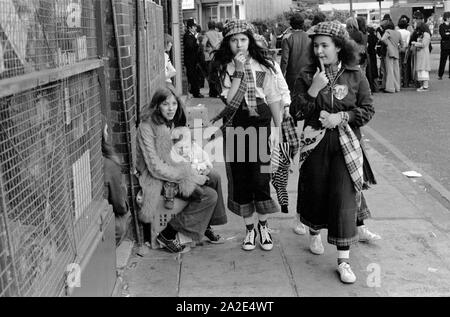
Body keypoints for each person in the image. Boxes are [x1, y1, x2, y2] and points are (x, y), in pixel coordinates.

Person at [290, 21, 376, 284]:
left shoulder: (355, 74)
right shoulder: (306, 75)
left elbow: (367, 109)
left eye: (324, 45)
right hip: (315, 144)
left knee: (343, 197)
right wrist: (314, 88)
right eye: (315, 46)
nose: (319, 51)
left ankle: (344, 261)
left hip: (346, 145)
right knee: (315, 193)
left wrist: (343, 116)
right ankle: (314, 231)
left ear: (339, 47)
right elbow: (297, 112)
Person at [211, 20, 283, 252]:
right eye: (234, 40)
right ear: (227, 43)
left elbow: (272, 97)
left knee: (260, 178)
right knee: (241, 179)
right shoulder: (224, 68)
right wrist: (239, 71)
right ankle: (249, 229)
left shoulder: (264, 65)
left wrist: (277, 128)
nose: (239, 44)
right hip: (236, 125)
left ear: (250, 41)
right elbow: (230, 101)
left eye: (243, 39)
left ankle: (264, 225)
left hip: (261, 124)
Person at [136, 88, 227, 253]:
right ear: (157, 106)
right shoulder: (147, 127)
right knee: (208, 196)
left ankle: (205, 224)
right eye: (165, 104)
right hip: (158, 178)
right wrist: (190, 176)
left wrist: (196, 166)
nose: (171, 108)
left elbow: (180, 152)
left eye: (174, 104)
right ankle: (167, 235)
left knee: (213, 176)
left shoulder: (171, 122)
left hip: (176, 169)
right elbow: (155, 167)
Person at [254, 33, 305, 234]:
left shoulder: (271, 66)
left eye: (261, 49)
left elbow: (283, 89)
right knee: (261, 163)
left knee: (285, 151)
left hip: (277, 118)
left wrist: (285, 107)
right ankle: (265, 191)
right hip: (258, 121)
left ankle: (277, 175)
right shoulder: (246, 68)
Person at [102, 124, 131, 246]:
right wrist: (125, 210)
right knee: (121, 225)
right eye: (106, 130)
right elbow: (119, 204)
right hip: (103, 218)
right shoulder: (109, 164)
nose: (108, 134)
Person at [280, 12, 312, 91]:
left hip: (292, 75)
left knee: (292, 99)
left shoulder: (287, 38)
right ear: (302, 24)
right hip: (308, 74)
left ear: (291, 24)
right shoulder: (310, 37)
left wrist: (281, 75)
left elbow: (284, 60)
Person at [184, 19, 204, 98]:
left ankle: (194, 90)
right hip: (191, 60)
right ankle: (196, 92)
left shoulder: (191, 35)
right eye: (194, 26)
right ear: (190, 27)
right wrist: (196, 42)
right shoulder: (188, 35)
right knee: (193, 76)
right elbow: (190, 47)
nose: (195, 28)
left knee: (195, 76)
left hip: (194, 60)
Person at [381, 20, 402, 93]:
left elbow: (383, 39)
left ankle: (390, 88)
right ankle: (397, 87)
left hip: (389, 52)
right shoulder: (398, 33)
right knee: (396, 70)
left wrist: (388, 44)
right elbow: (401, 43)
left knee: (390, 70)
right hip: (396, 52)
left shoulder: (387, 32)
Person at [411, 22, 431, 91]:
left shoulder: (426, 34)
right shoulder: (421, 34)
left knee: (424, 70)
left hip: (424, 54)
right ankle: (422, 85)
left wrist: (415, 43)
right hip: (420, 54)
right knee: (420, 70)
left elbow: (423, 44)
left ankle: (425, 86)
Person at [205, 21, 223, 97]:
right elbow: (222, 42)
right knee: (218, 75)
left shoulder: (207, 34)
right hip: (218, 56)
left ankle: (212, 93)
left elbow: (203, 43)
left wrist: (207, 48)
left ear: (208, 26)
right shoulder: (218, 34)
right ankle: (219, 91)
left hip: (210, 57)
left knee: (211, 75)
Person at [397, 17, 411, 87]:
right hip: (406, 49)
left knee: (399, 66)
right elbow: (408, 42)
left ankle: (399, 82)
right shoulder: (408, 32)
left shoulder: (397, 32)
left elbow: (397, 42)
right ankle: (406, 83)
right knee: (405, 66)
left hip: (399, 49)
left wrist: (399, 46)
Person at [438, 12, 450, 80]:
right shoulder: (441, 26)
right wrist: (447, 34)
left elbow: (445, 35)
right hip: (444, 46)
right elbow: (443, 35)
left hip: (448, 44)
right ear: (447, 18)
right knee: (443, 60)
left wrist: (447, 34)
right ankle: (440, 74)